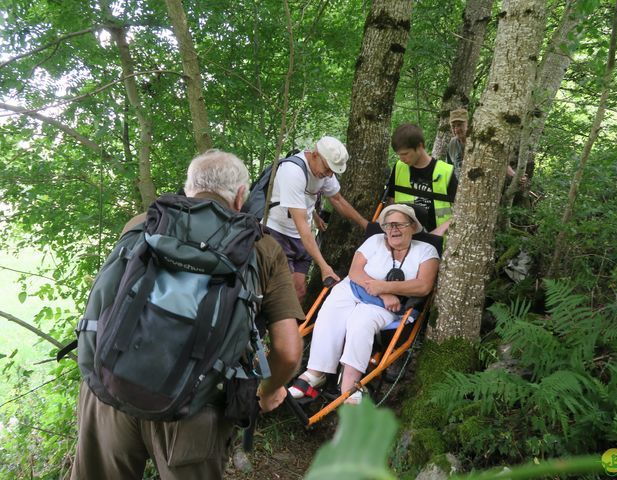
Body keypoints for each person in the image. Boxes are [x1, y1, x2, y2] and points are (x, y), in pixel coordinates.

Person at [71, 150, 304, 480]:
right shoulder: (263, 247)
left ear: (188, 187)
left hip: (109, 385)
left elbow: (108, 298)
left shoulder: (143, 223)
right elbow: (288, 351)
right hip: (196, 406)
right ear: (241, 196)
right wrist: (267, 392)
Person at [287, 204, 439, 404]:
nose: (393, 229)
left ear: (412, 226)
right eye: (388, 225)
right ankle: (316, 373)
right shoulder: (375, 241)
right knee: (330, 314)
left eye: (399, 224)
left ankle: (349, 384)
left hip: (388, 306)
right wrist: (383, 292)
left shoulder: (427, 250)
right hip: (353, 289)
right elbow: (355, 272)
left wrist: (383, 288)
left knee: (361, 322)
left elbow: (423, 286)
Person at [264, 136, 368, 301]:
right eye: (327, 169)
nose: (328, 174)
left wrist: (366, 225)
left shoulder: (324, 173)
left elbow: (337, 200)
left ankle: (295, 326)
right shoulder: (292, 171)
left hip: (300, 238)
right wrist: (324, 266)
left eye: (332, 171)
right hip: (277, 233)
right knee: (283, 294)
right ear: (314, 155)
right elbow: (302, 224)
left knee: (299, 291)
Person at [388, 124, 457, 236]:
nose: (401, 159)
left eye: (405, 154)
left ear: (420, 146)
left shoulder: (445, 172)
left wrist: (439, 231)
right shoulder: (400, 167)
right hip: (405, 239)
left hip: (436, 241)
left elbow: (461, 210)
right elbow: (391, 201)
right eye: (399, 155)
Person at [446, 107, 528, 185]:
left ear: (468, 124)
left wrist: (515, 176)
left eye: (459, 125)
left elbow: (498, 160)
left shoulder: (479, 140)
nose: (456, 129)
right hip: (458, 191)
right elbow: (449, 168)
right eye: (453, 126)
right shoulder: (452, 144)